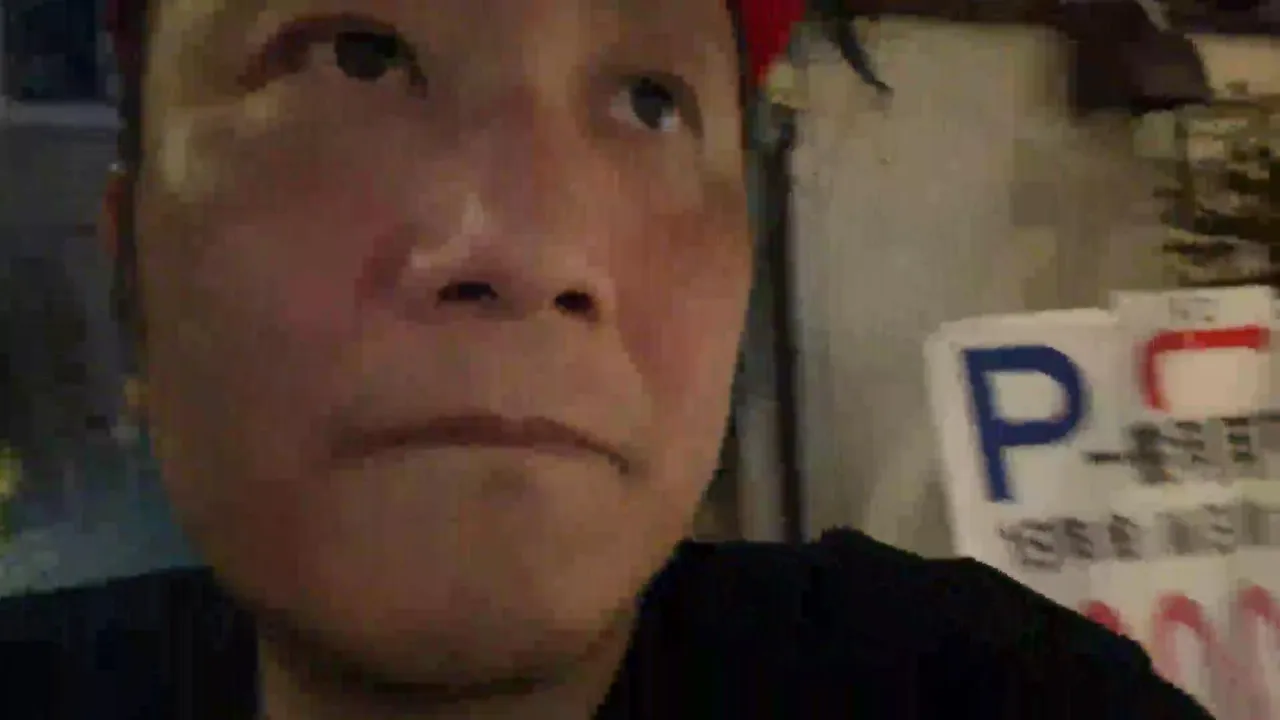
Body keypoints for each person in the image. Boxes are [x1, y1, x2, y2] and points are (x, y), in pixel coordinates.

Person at [0, 1, 1214, 718]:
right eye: (357, 55)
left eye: (649, 101)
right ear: (129, 262)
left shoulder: (983, 693)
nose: (532, 250)